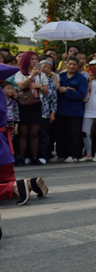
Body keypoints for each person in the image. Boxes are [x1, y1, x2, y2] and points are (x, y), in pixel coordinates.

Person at [0, 64, 47, 206]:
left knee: (6, 183)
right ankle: (29, 184)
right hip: (2, 144)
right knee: (5, 178)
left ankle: (17, 187)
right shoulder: (1, 92)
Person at [14, 52, 49, 166]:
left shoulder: (41, 74)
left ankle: (34, 157)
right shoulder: (19, 73)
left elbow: (45, 90)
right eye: (32, 59)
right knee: (23, 133)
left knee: (34, 132)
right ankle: (22, 157)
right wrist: (31, 76)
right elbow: (21, 85)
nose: (34, 61)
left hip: (36, 104)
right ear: (26, 60)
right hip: (23, 105)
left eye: (36, 59)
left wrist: (39, 86)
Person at [56, 56, 88, 163]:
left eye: (74, 64)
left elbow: (81, 94)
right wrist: (62, 90)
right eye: (69, 64)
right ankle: (61, 154)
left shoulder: (81, 79)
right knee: (61, 133)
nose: (71, 66)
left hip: (75, 110)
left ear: (78, 65)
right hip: (61, 109)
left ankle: (73, 154)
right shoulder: (61, 76)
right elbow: (56, 90)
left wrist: (66, 90)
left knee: (74, 134)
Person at [39, 56, 59, 162]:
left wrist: (52, 113)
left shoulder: (51, 82)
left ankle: (43, 154)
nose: (45, 69)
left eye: (48, 67)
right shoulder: (34, 78)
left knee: (44, 134)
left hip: (45, 112)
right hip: (32, 110)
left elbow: (54, 99)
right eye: (43, 66)